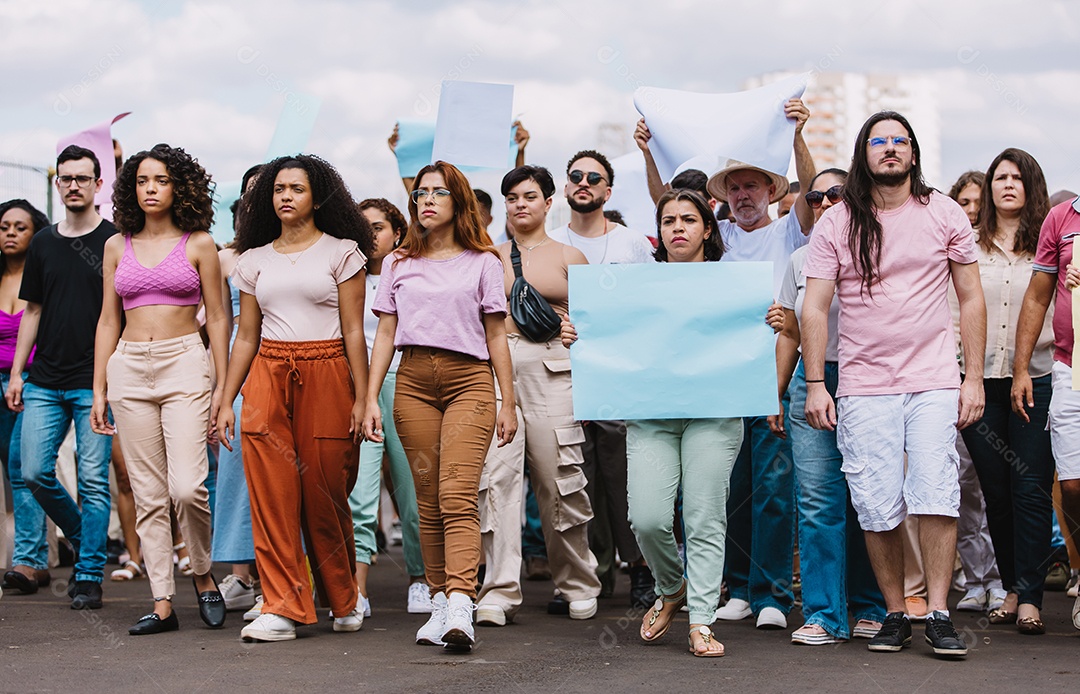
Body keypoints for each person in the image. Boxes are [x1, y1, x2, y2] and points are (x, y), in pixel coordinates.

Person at [802, 110, 986, 658]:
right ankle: (894, 613)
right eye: (879, 141)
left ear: (913, 153)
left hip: (933, 380)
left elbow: (971, 297)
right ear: (864, 153)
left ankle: (938, 613)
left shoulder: (944, 212)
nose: (889, 149)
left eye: (899, 142)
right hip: (863, 384)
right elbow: (813, 305)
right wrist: (816, 382)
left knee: (936, 494)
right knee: (876, 502)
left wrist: (971, 378)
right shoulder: (837, 222)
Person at [563, 189, 743, 657]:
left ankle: (701, 621)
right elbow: (605, 335)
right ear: (659, 232)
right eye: (668, 220)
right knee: (646, 518)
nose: (677, 227)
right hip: (651, 416)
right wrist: (577, 333)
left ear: (708, 228)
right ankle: (672, 587)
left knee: (704, 517)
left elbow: (761, 332)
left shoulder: (736, 284)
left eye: (688, 219)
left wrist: (772, 319)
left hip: (715, 415)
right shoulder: (634, 285)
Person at [217, 154, 372, 643]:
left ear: (317, 196)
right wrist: (225, 400)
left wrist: (363, 399)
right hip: (265, 372)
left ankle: (344, 598)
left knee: (324, 494)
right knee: (271, 494)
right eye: (278, 189)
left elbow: (354, 332)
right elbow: (245, 336)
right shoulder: (252, 259)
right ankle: (283, 605)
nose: (285, 196)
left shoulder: (343, 252)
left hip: (328, 372)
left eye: (296, 188)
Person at [362, 161, 516, 652]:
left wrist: (506, 401)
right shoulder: (397, 263)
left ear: (458, 202)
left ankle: (460, 605)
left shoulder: (484, 261)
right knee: (426, 502)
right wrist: (368, 398)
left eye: (439, 193)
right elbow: (385, 332)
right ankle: (436, 603)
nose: (427, 200)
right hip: (411, 382)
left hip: (468, 381)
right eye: (421, 193)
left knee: (456, 495)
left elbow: (497, 334)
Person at [90, 143, 228, 635]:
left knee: (188, 487)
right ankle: (162, 601)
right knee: (147, 492)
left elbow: (219, 318)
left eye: (161, 180)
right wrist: (100, 384)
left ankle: (204, 573)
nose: (151, 188)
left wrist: (222, 389)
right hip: (129, 366)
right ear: (132, 188)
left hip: (185, 364)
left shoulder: (200, 243)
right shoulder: (115, 245)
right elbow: (108, 318)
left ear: (179, 187)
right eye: (143, 180)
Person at [698, 99, 815, 630]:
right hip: (725, 379)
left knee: (773, 486)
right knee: (731, 486)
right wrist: (650, 150)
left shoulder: (790, 232)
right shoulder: (716, 243)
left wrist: (796, 136)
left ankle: (771, 594)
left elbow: (812, 194)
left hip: (776, 374)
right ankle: (739, 588)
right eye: (735, 188)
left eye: (753, 186)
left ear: (773, 192)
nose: (743, 195)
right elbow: (667, 206)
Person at [475, 165, 601, 627]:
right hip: (496, 370)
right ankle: (499, 588)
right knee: (497, 479)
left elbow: (596, 326)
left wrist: (574, 331)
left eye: (529, 196)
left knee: (558, 477)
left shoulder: (571, 256)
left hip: (555, 368)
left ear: (550, 202)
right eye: (511, 197)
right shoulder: (486, 255)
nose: (519, 204)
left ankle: (578, 582)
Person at [769, 168, 887, 645]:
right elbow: (790, 333)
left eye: (834, 193)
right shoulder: (799, 259)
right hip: (809, 381)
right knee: (817, 501)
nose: (823, 202)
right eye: (814, 196)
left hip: (869, 381)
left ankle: (871, 605)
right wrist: (775, 392)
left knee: (868, 499)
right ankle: (822, 614)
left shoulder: (878, 247)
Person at [5, 145, 117, 610]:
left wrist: (109, 380)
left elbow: (119, 313)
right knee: (32, 472)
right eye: (66, 178)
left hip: (96, 382)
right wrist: (17, 373)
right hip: (44, 380)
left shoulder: (114, 241)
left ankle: (89, 574)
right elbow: (33, 309)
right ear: (58, 185)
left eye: (82, 178)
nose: (74, 185)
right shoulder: (45, 242)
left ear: (97, 184)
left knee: (94, 481)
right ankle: (82, 534)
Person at [950, 148, 1055, 635]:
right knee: (995, 489)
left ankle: (1030, 595)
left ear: (1032, 187)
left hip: (1037, 378)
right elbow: (951, 313)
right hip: (977, 381)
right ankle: (1011, 585)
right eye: (999, 177)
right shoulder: (967, 245)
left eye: (1017, 177)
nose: (1007, 184)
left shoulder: (1049, 247)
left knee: (1030, 487)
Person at [547, 150, 655, 608]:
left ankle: (642, 571)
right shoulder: (548, 242)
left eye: (595, 177)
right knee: (575, 477)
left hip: (621, 376)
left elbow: (652, 305)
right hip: (562, 375)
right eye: (576, 176)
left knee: (624, 476)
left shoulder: (632, 244)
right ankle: (588, 572)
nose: (584, 182)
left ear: (608, 191)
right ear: (566, 187)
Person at [347, 197, 430, 616]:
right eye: (362, 228)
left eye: (378, 226)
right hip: (357, 386)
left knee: (411, 489)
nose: (370, 234)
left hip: (404, 381)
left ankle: (420, 578)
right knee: (359, 493)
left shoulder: (413, 271)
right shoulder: (345, 275)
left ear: (397, 231)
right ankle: (357, 589)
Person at [1013, 190, 1080, 630]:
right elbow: (1038, 298)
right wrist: (1021, 369)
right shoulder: (1061, 217)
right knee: (1073, 485)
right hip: (1069, 366)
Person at [215, 164, 263, 616]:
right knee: (233, 471)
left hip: (287, 359)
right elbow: (218, 324)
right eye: (249, 192)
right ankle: (241, 576)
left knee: (282, 470)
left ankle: (278, 579)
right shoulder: (226, 258)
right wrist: (219, 390)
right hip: (237, 367)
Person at [0, 200, 48, 595]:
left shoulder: (44, 276)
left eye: (20, 227)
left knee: (23, 467)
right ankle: (33, 557)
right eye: (4, 227)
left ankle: (29, 561)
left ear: (36, 234)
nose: (10, 233)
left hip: (35, 382)